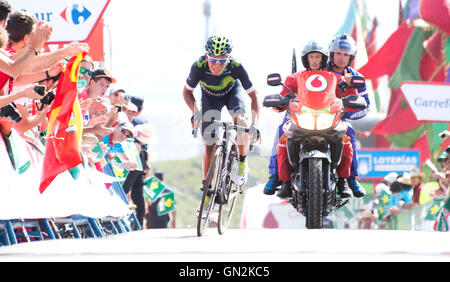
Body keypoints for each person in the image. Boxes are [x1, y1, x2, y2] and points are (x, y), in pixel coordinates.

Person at [265, 40, 353, 199]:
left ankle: (344, 181)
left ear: (323, 58)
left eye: (317, 57)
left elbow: (347, 96)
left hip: (327, 120)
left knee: (345, 138)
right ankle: (281, 180)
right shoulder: (294, 78)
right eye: (311, 57)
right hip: (302, 119)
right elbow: (283, 97)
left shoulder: (334, 78)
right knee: (283, 137)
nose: (314, 60)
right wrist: (279, 102)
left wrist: (350, 88)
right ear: (305, 59)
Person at [182, 35, 260, 196]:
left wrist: (255, 124)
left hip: (232, 93)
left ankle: (242, 163)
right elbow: (187, 92)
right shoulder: (198, 66)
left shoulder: (237, 66)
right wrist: (196, 112)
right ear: (206, 56)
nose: (217, 65)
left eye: (222, 61)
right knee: (209, 144)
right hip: (210, 98)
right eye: (213, 59)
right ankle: (207, 186)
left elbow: (254, 96)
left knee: (241, 120)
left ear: (229, 58)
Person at [326, 34, 370, 198]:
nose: (342, 58)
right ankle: (279, 178)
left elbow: (365, 105)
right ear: (331, 54)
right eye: (338, 53)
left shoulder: (357, 78)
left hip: (337, 120)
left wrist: (347, 110)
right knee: (286, 129)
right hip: (310, 117)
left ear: (351, 57)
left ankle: (349, 179)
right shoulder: (318, 71)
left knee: (349, 132)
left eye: (346, 54)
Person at [121, 123, 153, 228]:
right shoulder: (137, 146)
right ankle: (138, 223)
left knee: (135, 192)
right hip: (136, 168)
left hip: (138, 169)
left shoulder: (139, 146)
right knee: (131, 190)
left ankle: (138, 223)